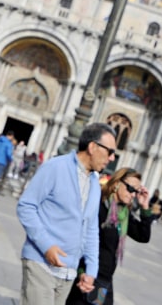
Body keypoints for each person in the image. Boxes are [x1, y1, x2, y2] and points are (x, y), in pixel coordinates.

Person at [17, 123, 117, 305]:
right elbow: (26, 206)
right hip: (40, 263)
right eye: (110, 151)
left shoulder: (95, 183)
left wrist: (91, 270)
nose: (111, 158)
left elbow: (91, 229)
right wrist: (46, 246)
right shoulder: (56, 167)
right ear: (92, 147)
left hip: (68, 272)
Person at [65, 167, 152, 305]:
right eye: (131, 189)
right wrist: (82, 272)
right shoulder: (99, 206)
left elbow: (143, 236)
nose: (133, 195)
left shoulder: (122, 214)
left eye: (136, 191)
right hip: (87, 276)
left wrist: (145, 207)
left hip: (104, 281)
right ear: (117, 183)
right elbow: (81, 240)